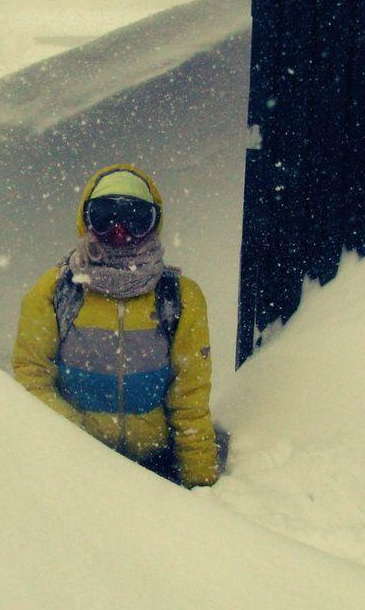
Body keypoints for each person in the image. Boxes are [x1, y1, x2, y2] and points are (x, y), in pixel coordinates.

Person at [12, 163, 220, 488]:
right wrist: (75, 446)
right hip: (76, 475)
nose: (120, 231)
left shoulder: (178, 297)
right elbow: (31, 376)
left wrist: (202, 485)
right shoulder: (57, 291)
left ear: (154, 223)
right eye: (105, 216)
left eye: (136, 218)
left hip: (157, 474)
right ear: (86, 219)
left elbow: (189, 399)